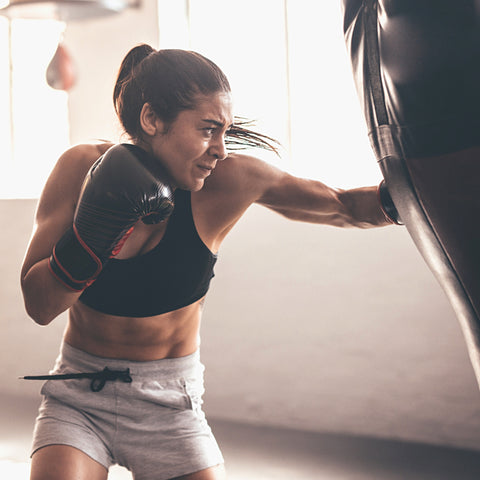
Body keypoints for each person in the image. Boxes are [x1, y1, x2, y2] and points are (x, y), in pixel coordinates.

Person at [20, 43, 401, 480]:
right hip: (79, 395)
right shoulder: (79, 169)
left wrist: (417, 189)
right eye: (207, 129)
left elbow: (343, 206)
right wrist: (92, 237)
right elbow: (39, 306)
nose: (220, 148)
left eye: (225, 132)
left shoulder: (233, 181)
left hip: (170, 404)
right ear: (152, 120)